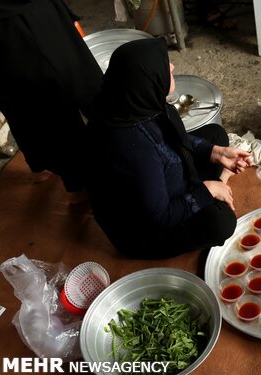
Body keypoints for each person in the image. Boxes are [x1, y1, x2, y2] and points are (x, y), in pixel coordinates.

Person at [83, 37, 251, 259]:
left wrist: (216, 153)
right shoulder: (132, 148)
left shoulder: (129, 103)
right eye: (164, 65)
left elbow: (170, 140)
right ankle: (216, 187)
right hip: (144, 230)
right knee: (221, 222)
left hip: (155, 178)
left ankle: (213, 179)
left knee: (215, 135)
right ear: (146, 81)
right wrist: (208, 190)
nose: (171, 66)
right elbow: (159, 217)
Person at [0, 0, 103, 203]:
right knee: (55, 101)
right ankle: (78, 185)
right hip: (22, 21)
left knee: (19, 104)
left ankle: (39, 166)